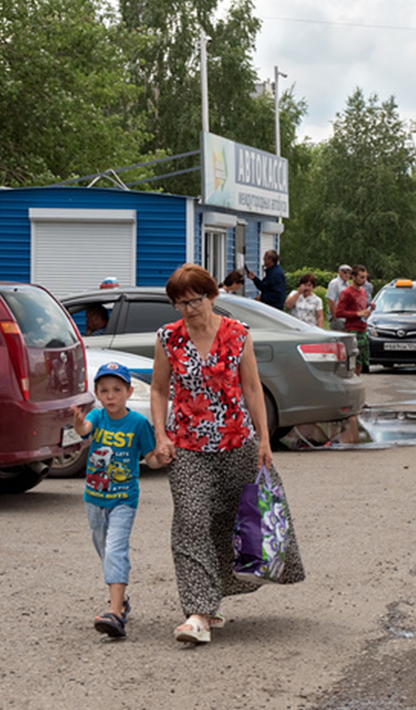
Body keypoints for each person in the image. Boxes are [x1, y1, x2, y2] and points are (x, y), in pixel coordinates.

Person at [150, 264, 305, 645]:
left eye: (195, 300)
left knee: (231, 522)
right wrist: (160, 435)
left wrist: (264, 441)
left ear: (212, 296)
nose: (188, 309)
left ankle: (212, 600)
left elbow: (252, 389)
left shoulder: (238, 335)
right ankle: (197, 613)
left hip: (237, 443)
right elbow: (158, 390)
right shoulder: (168, 338)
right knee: (190, 521)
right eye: (180, 303)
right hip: (186, 446)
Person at [72, 360, 164, 639]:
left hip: (124, 499)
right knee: (103, 548)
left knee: (115, 549)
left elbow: (150, 458)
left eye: (116, 389)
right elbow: (84, 429)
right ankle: (121, 600)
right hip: (94, 498)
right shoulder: (98, 417)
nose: (110, 396)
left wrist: (162, 459)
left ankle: (115, 613)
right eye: (104, 391)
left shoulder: (137, 423)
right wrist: (78, 423)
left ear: (129, 391)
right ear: (97, 394)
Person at [335, 265, 373, 375]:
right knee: (353, 361)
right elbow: (339, 312)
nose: (364, 280)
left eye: (365, 277)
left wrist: (369, 309)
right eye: (361, 277)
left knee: (361, 362)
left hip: (363, 328)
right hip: (352, 329)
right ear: (353, 277)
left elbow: (362, 310)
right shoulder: (347, 293)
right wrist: (357, 314)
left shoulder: (363, 292)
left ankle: (358, 377)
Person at [326, 264, 352, 330]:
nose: (347, 275)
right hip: (338, 318)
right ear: (339, 272)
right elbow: (330, 300)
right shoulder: (334, 283)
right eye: (345, 272)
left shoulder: (348, 284)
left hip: (345, 318)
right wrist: (335, 317)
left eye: (349, 273)